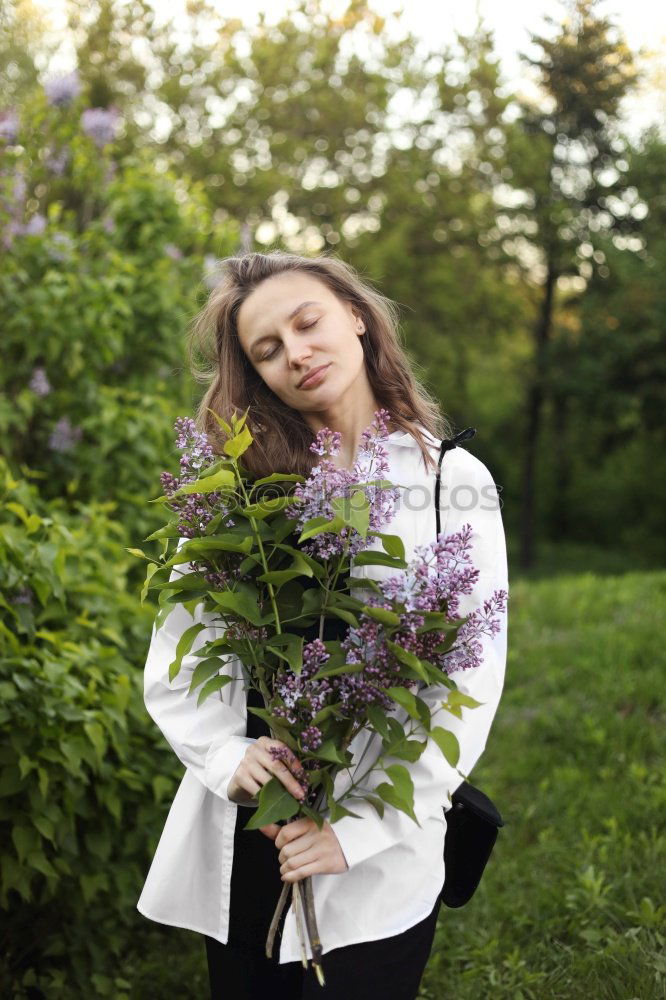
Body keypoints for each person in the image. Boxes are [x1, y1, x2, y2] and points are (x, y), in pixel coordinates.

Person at [136, 250, 509, 999]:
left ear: (359, 318)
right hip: (254, 832)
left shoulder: (450, 483)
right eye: (266, 350)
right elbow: (184, 650)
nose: (295, 354)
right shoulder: (242, 482)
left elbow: (467, 683)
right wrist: (224, 758)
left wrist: (354, 833)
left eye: (308, 324)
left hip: (375, 853)